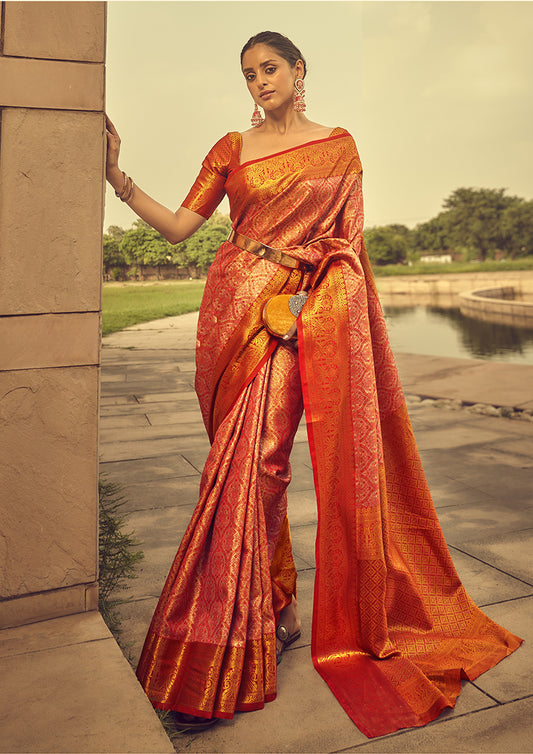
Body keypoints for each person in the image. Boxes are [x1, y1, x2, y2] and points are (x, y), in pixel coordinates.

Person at [105, 31, 522, 739]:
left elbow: (347, 248)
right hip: (230, 309)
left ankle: (221, 650)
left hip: (294, 316)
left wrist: (309, 306)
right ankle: (280, 608)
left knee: (254, 467)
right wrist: (115, 176)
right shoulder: (229, 149)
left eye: (268, 69)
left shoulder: (337, 146)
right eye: (247, 75)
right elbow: (180, 229)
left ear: (299, 71)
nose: (257, 83)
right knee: (239, 467)